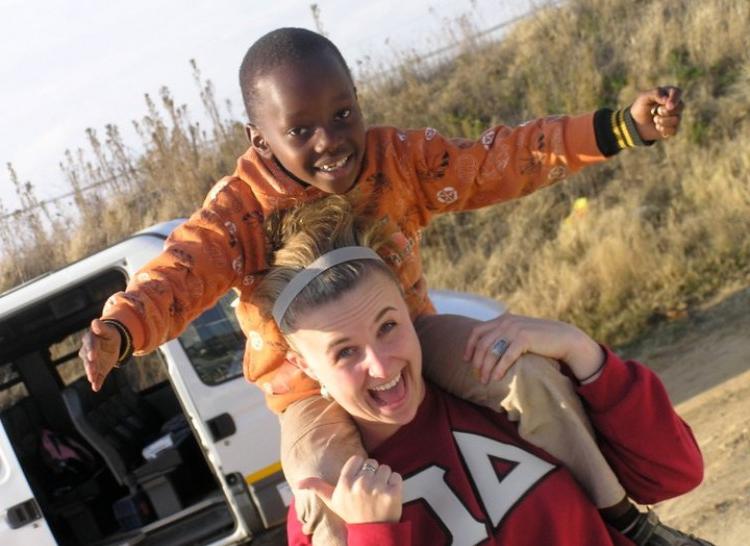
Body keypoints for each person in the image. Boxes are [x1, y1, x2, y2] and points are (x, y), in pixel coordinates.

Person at [78, 27, 686, 544]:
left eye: (343, 115)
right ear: (260, 139)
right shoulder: (235, 215)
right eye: (302, 130)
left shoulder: (396, 159)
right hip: (306, 391)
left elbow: (498, 161)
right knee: (320, 487)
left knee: (524, 373)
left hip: (412, 332)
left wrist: (614, 130)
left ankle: (626, 522)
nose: (330, 141)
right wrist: (122, 328)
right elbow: (177, 274)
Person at [252, 196, 716, 546]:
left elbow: (676, 473)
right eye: (345, 352)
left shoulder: (506, 394)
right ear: (302, 365)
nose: (380, 364)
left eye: (388, 326)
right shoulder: (328, 503)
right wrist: (374, 533)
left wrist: (581, 350)